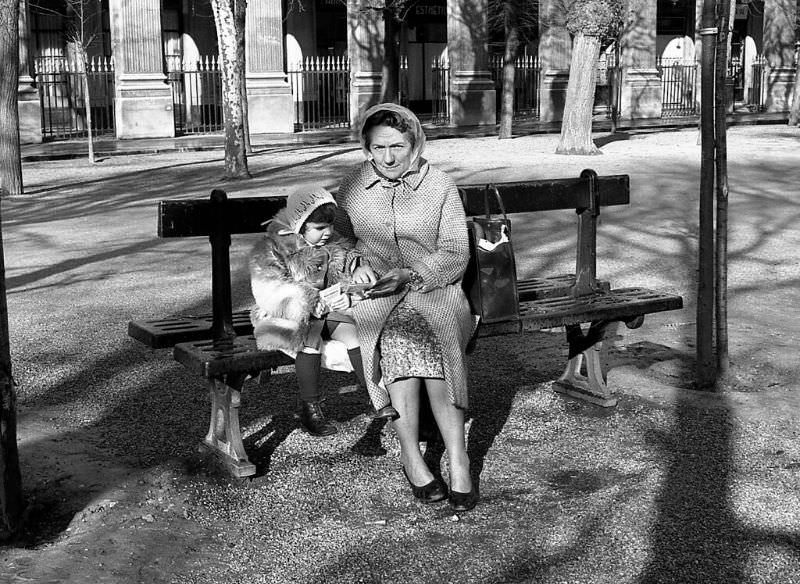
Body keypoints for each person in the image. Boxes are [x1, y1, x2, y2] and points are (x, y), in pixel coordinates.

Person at [334, 103, 478, 512]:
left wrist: (413, 274)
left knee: (436, 336)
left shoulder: (440, 186)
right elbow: (337, 243)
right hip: (378, 295)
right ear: (366, 148)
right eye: (378, 148)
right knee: (396, 337)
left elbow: (455, 251)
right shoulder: (351, 187)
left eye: (397, 146)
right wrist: (356, 264)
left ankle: (457, 458)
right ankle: (412, 456)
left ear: (414, 144)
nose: (388, 157)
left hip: (436, 287)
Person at [249, 186, 398, 437]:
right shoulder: (274, 249)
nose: (327, 232)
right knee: (311, 341)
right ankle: (311, 407)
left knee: (356, 335)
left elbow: (348, 266)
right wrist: (305, 299)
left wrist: (353, 279)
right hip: (290, 316)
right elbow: (269, 289)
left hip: (327, 311)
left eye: (329, 225)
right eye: (319, 228)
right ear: (300, 224)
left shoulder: (335, 245)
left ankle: (375, 395)